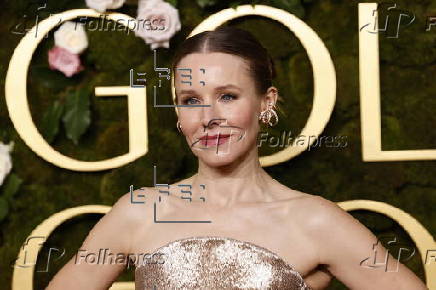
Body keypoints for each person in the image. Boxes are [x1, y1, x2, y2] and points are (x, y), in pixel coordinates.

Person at [46, 26, 428, 290]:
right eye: (191, 100)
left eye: (228, 96)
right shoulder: (139, 212)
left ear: (267, 102)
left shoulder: (316, 221)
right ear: (178, 114)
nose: (209, 116)